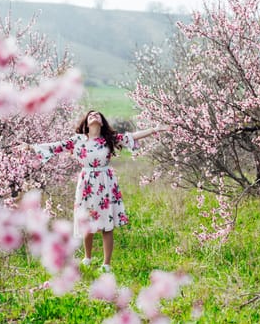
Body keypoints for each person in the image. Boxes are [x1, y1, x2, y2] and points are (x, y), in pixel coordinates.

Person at [31, 110, 168, 272]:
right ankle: (87, 258)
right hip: (87, 183)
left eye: (98, 115)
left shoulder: (108, 139)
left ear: (102, 122)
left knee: (107, 224)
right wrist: (31, 147)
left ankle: (106, 264)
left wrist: (155, 130)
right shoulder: (78, 140)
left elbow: (132, 136)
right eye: (90, 115)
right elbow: (56, 146)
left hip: (106, 182)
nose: (94, 116)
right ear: (86, 123)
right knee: (86, 221)